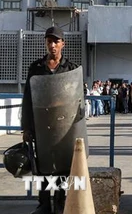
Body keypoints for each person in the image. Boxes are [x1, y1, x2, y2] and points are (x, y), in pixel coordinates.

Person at [21, 26, 79, 214]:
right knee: (42, 166)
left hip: (63, 126)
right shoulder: (36, 68)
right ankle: (44, 204)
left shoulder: (71, 69)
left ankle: (61, 203)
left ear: (63, 44)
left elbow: (78, 100)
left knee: (62, 165)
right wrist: (26, 128)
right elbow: (28, 98)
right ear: (45, 43)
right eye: (49, 41)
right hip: (41, 125)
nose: (52, 45)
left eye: (56, 41)